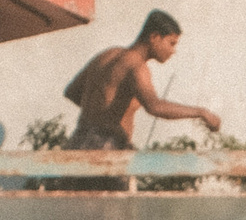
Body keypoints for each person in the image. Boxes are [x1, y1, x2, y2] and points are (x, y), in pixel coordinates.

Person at [63, 10, 222, 153]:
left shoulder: (107, 55)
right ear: (154, 37)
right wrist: (201, 113)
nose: (173, 51)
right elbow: (155, 106)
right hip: (106, 147)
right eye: (171, 43)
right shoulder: (136, 65)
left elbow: (71, 92)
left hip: (77, 142)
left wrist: (100, 112)